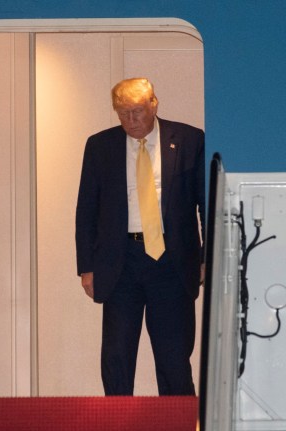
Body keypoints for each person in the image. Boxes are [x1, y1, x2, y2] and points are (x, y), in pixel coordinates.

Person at [75, 77, 204, 396]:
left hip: (172, 262)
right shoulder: (100, 145)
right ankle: (116, 422)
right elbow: (86, 209)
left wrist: (206, 259)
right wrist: (86, 267)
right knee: (116, 356)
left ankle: (180, 424)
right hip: (121, 263)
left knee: (174, 357)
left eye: (136, 111)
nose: (130, 121)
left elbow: (207, 204)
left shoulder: (189, 139)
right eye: (122, 113)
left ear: (153, 104)